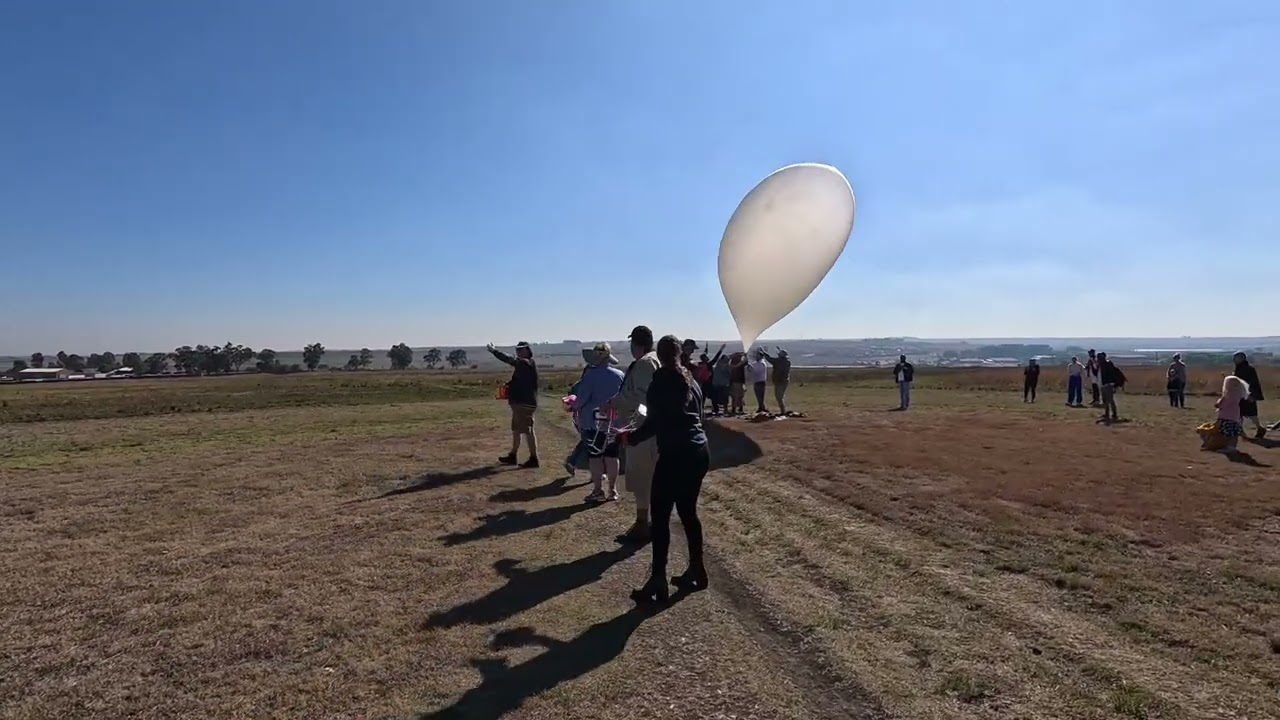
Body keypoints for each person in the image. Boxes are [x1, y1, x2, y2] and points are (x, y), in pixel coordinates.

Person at [619, 334, 709, 604]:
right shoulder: (690, 380)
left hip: (675, 455)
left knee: (660, 519)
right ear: (681, 353)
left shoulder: (662, 380)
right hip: (698, 451)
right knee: (688, 513)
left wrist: (629, 437)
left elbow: (655, 422)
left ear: (659, 354)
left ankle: (657, 580)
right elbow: (697, 418)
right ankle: (697, 569)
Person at [605, 326, 661, 545]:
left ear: (636, 344)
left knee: (641, 477)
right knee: (650, 478)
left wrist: (615, 403)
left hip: (643, 429)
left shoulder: (645, 363)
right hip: (650, 427)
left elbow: (640, 397)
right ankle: (649, 523)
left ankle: (643, 524)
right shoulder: (654, 360)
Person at [571, 343, 625, 502]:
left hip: (592, 423)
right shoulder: (620, 375)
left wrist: (572, 405)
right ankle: (612, 490)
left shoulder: (590, 376)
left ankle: (597, 490)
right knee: (612, 456)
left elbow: (581, 400)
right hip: (614, 423)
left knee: (595, 457)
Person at [487, 341, 540, 468]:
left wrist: (494, 351)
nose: (519, 352)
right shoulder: (527, 365)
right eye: (518, 350)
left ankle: (533, 458)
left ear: (528, 350)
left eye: (521, 350)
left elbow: (509, 359)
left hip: (524, 403)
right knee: (517, 430)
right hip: (522, 402)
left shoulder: (525, 363)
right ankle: (513, 455)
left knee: (527, 431)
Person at [1232, 352, 1267, 439]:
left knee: (1251, 414)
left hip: (1248, 395)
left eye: (1236, 358)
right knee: (1239, 414)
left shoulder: (1249, 369)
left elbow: (1252, 383)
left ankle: (1260, 428)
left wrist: (1251, 395)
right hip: (1240, 395)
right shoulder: (1238, 369)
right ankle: (1241, 432)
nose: (1234, 360)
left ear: (1242, 358)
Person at [1213, 375, 1250, 454]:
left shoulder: (1228, 394)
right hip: (1234, 415)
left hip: (1226, 415)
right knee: (1234, 432)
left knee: (1228, 433)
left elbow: (1221, 404)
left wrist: (1218, 403)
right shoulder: (1238, 392)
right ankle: (1233, 447)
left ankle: (1229, 447)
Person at [760, 347, 793, 415]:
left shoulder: (779, 361)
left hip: (780, 381)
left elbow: (770, 359)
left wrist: (764, 353)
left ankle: (783, 411)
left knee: (779, 396)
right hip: (784, 380)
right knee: (780, 396)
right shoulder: (787, 362)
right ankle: (783, 410)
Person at [1097, 351, 1127, 422]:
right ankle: (1108, 413)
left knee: (1109, 400)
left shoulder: (1107, 364)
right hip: (1103, 385)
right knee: (1106, 400)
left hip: (1108, 385)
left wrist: (1112, 384)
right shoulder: (1101, 365)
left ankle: (1113, 414)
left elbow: (1110, 375)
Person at [748, 349, 770, 414]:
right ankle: (761, 407)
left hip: (761, 381)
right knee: (758, 396)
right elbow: (751, 371)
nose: (756, 357)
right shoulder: (755, 363)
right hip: (756, 381)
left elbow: (757, 372)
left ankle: (762, 407)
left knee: (761, 396)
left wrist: (751, 368)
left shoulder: (762, 363)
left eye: (758, 355)